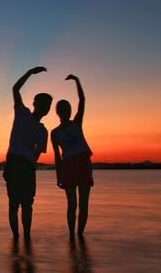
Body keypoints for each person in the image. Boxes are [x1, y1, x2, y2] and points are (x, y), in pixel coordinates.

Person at [3, 66, 52, 241]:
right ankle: (16, 238)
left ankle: (27, 238)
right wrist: (30, 73)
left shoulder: (42, 131)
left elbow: (37, 154)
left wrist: (29, 161)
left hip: (27, 167)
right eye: (42, 104)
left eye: (48, 106)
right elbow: (15, 89)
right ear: (35, 104)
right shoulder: (22, 113)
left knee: (28, 205)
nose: (45, 107)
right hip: (14, 163)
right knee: (14, 204)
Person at [51, 74, 94, 240]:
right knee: (72, 204)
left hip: (83, 163)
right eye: (61, 109)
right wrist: (58, 176)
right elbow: (57, 157)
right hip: (68, 167)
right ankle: (71, 237)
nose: (65, 111)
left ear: (69, 110)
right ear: (58, 112)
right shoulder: (55, 133)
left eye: (67, 108)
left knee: (83, 204)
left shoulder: (77, 123)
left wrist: (77, 81)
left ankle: (80, 236)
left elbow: (82, 101)